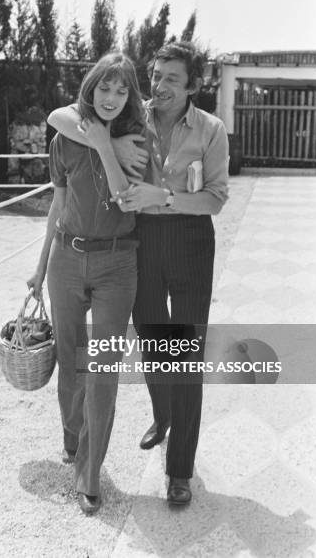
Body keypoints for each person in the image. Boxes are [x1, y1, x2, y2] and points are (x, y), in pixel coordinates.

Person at [48, 41, 229, 507]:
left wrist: (161, 198)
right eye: (156, 75)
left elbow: (214, 198)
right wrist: (103, 141)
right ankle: (162, 415)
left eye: (172, 78)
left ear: (193, 85)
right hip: (141, 245)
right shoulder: (133, 116)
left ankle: (180, 470)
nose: (160, 86)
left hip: (189, 243)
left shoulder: (211, 130)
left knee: (184, 354)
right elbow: (66, 116)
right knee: (152, 344)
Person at [28, 52, 145, 515]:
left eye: (121, 89)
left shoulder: (138, 141)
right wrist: (40, 268)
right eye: (104, 88)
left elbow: (124, 197)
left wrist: (105, 145)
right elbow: (57, 208)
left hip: (118, 264)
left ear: (130, 94)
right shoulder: (65, 138)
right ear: (91, 89)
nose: (112, 98)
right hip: (65, 260)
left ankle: (89, 474)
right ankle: (71, 437)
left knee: (102, 369)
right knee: (70, 358)